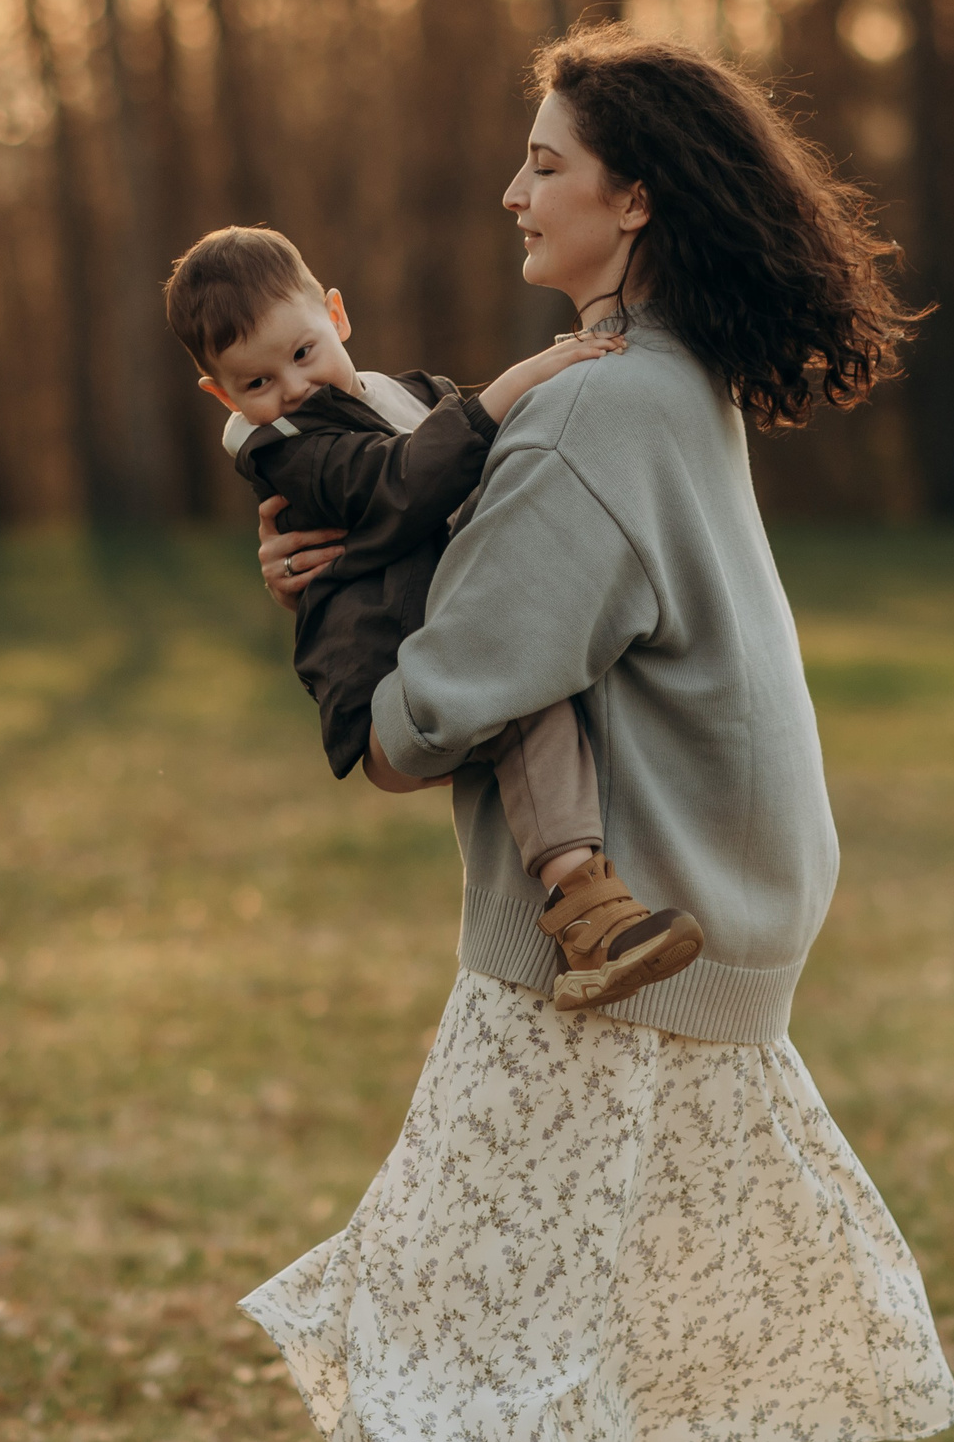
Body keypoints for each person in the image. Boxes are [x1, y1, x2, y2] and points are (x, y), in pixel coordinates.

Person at [241, 23, 954, 1441]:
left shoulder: (594, 410)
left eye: (545, 163)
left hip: (608, 975)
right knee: (662, 1379)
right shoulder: (670, 377)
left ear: (632, 199)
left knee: (465, 1374)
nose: (514, 192)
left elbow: (418, 724)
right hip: (705, 947)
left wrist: (335, 632)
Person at [162, 226, 707, 1012]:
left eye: (304, 353)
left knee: (536, 690)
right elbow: (400, 481)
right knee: (516, 691)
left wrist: (560, 384)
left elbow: (497, 444)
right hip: (382, 687)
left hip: (436, 649)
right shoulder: (288, 450)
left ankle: (601, 919)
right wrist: (522, 379)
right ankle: (588, 912)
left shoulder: (407, 395)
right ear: (222, 395)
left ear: (336, 316)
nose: (292, 388)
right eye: (256, 382)